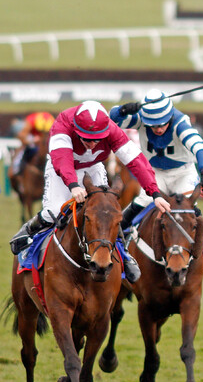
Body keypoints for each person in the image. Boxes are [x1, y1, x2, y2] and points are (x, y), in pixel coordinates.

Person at [9, 101, 171, 284]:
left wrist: (155, 192)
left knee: (106, 212)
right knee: (54, 211)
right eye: (86, 139)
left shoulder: (112, 130)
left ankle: (123, 255)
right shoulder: (62, 124)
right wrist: (73, 185)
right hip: (61, 168)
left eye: (97, 139)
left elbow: (136, 160)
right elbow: (62, 160)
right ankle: (28, 231)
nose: (92, 144)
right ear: (76, 130)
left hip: (93, 167)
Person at [110, 89, 203, 269]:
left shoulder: (180, 123)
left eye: (162, 124)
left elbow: (200, 148)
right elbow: (112, 119)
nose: (159, 129)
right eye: (153, 125)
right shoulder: (141, 118)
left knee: (188, 208)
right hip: (155, 172)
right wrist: (122, 110)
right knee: (141, 201)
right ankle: (115, 237)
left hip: (183, 173)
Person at [11, 111, 54, 175]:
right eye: (40, 131)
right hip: (31, 139)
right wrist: (32, 141)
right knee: (22, 152)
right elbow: (21, 136)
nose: (41, 134)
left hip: (45, 143)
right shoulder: (30, 121)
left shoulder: (53, 122)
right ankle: (15, 170)